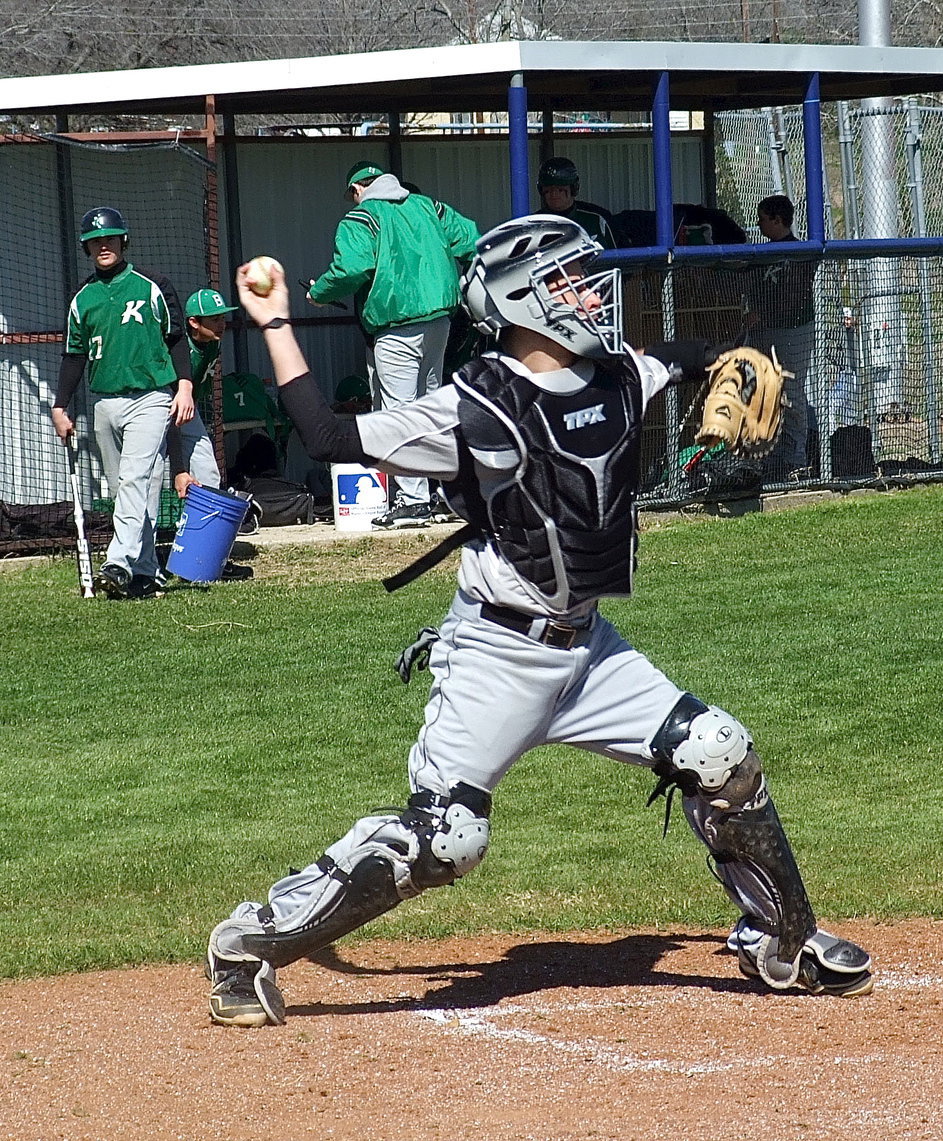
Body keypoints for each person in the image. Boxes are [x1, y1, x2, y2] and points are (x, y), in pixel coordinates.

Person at [205, 216, 873, 1028]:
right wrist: (274, 322)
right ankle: (249, 941)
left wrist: (738, 355)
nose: (594, 293)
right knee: (447, 838)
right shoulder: (474, 403)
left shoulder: (619, 373)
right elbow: (327, 435)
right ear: (522, 299)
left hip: (589, 650)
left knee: (719, 751)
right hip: (495, 654)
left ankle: (786, 938)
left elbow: (684, 357)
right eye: (571, 280)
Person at [307, 160, 479, 527]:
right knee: (433, 408)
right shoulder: (427, 205)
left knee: (400, 413)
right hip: (439, 320)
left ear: (357, 190)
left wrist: (320, 293)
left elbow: (351, 269)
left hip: (396, 324)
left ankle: (414, 499)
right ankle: (448, 491)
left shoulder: (362, 218)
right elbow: (470, 238)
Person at [50, 207, 194, 601]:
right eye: (95, 241)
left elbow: (176, 338)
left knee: (133, 480)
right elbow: (74, 356)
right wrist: (60, 406)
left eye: (110, 239)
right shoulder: (83, 299)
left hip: (151, 398)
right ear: (86, 247)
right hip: (105, 405)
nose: (103, 246)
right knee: (129, 493)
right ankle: (145, 575)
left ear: (123, 242)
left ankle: (117, 562)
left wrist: (185, 386)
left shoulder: (152, 285)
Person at [168, 288, 254, 580]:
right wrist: (177, 466)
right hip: (161, 413)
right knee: (146, 482)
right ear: (193, 322)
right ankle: (146, 563)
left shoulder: (213, 344)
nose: (222, 324)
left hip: (189, 415)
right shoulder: (179, 348)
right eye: (214, 319)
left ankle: (209, 557)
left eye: (222, 318)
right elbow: (170, 408)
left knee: (209, 476)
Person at [748, 194, 816, 480]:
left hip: (793, 330)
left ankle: (797, 457)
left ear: (778, 220)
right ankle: (771, 453)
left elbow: (793, 297)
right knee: (765, 390)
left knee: (791, 391)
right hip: (766, 331)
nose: (759, 224)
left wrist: (762, 314)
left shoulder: (799, 253)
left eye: (763, 218)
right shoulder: (762, 254)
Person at [537, 157, 616, 250]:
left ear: (573, 188)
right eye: (548, 190)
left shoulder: (596, 220)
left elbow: (618, 257)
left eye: (560, 189)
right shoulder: (534, 223)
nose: (554, 194)